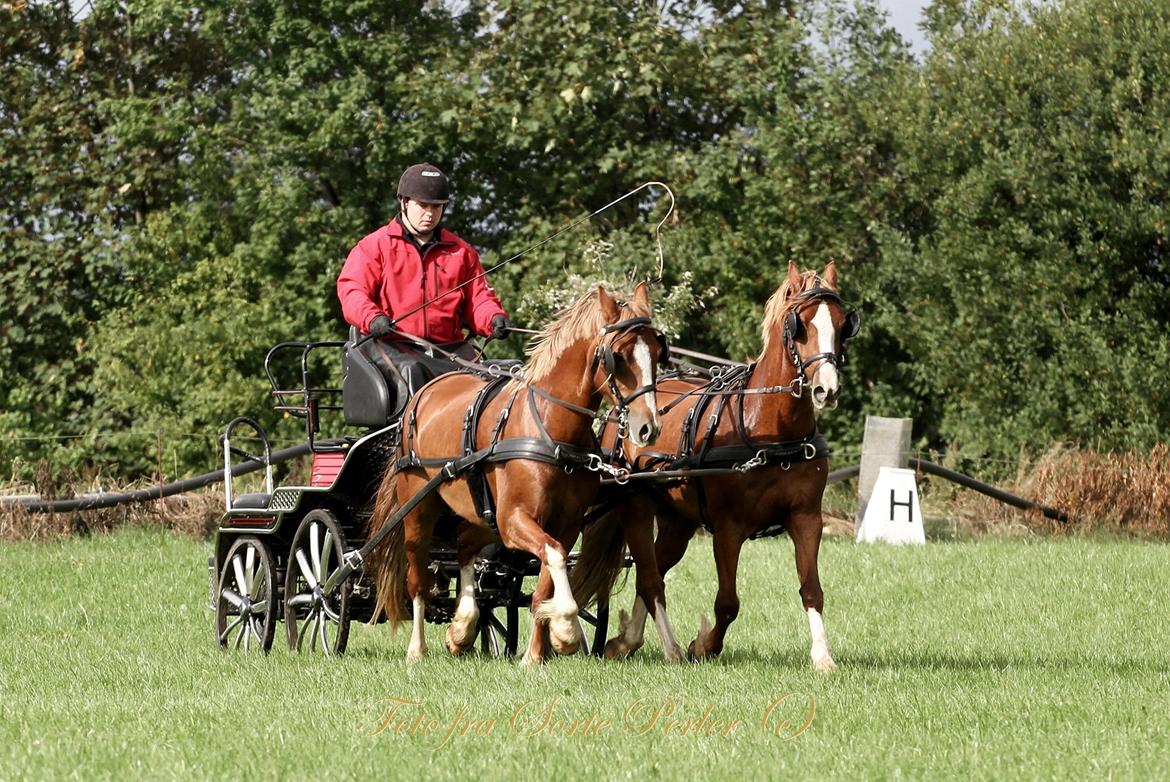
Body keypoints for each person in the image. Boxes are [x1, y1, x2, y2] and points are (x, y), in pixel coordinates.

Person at [337, 163, 511, 397]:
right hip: (393, 345)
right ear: (404, 203)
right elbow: (352, 291)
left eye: (436, 207)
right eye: (423, 205)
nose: (429, 214)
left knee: (506, 375)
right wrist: (373, 318)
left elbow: (479, 299)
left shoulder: (462, 252)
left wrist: (493, 318)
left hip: (449, 349)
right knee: (414, 372)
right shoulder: (374, 247)